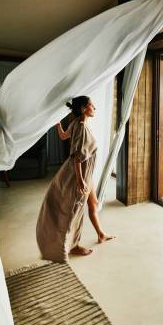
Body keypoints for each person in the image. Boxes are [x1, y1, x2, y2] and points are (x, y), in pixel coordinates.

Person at [36, 96, 114, 262]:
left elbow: (64, 136)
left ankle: (101, 234)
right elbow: (78, 157)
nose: (95, 107)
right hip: (81, 175)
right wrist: (80, 180)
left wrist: (58, 125)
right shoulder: (81, 127)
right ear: (84, 108)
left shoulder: (78, 123)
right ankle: (72, 246)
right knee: (76, 211)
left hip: (87, 175)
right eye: (92, 105)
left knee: (92, 203)